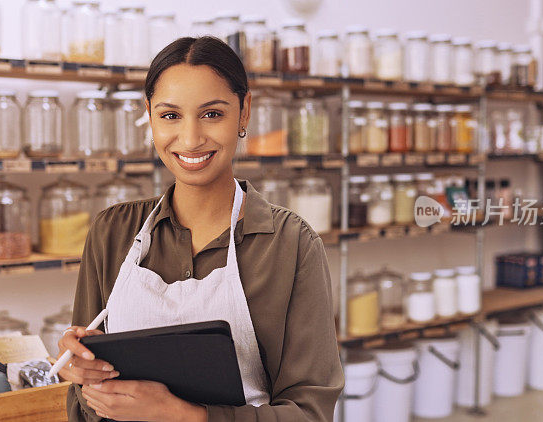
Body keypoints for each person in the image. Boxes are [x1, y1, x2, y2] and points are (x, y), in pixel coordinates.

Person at [58, 36, 344, 422]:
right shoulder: (113, 233)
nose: (190, 139)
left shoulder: (291, 243)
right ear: (150, 115)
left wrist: (184, 415)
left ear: (244, 113)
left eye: (212, 114)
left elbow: (310, 414)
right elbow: (82, 408)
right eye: (170, 115)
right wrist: (85, 375)